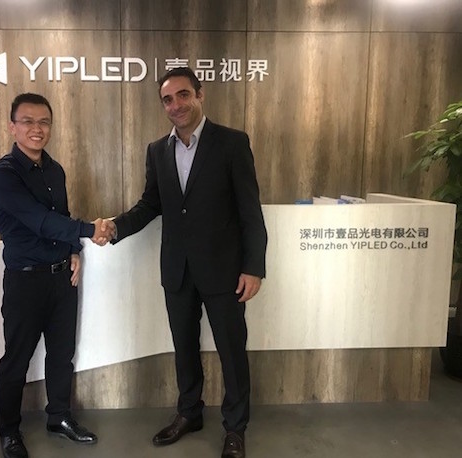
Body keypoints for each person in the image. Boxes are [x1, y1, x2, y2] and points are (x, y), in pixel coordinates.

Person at [102, 67, 267, 458]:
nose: (175, 105)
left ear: (199, 95)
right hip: (177, 270)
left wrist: (254, 266)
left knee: (231, 351)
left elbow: (250, 210)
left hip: (225, 271)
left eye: (182, 95)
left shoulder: (232, 143)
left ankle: (235, 428)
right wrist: (116, 227)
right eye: (167, 99)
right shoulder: (158, 150)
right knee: (184, 348)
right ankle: (189, 413)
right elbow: (151, 204)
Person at [0, 93, 114, 458]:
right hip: (25, 281)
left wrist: (74, 249)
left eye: (44, 122)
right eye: (27, 121)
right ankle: (8, 430)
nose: (37, 129)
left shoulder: (55, 170)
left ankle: (59, 416)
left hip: (62, 280)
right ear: (12, 127)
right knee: (17, 359)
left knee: (62, 354)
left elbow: (62, 217)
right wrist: (90, 230)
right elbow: (40, 221)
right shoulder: (3, 174)